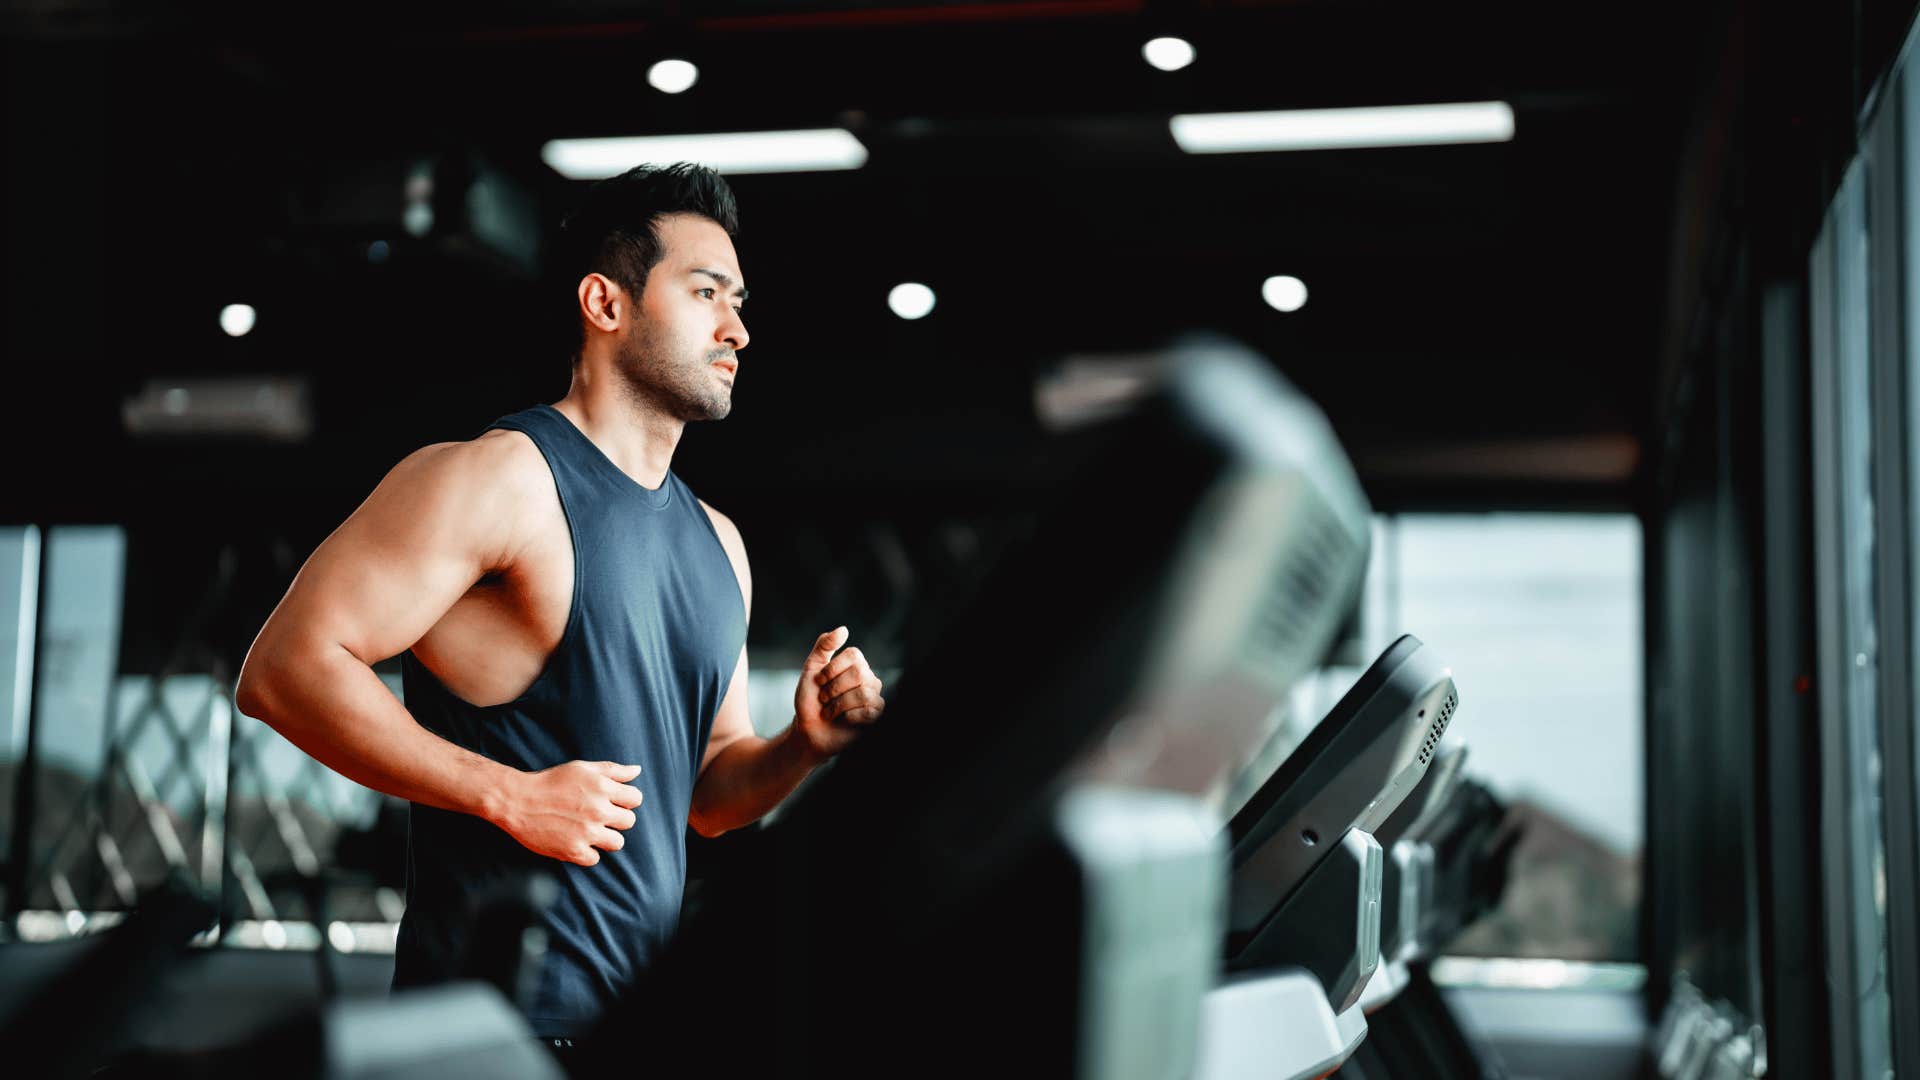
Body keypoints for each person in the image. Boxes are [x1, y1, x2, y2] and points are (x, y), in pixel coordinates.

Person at [234, 163, 886, 1049]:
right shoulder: (499, 479)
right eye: (706, 294)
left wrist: (801, 747)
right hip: (485, 1034)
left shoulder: (719, 544)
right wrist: (508, 795)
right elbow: (283, 673)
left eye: (739, 302)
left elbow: (706, 798)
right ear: (605, 304)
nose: (736, 329)